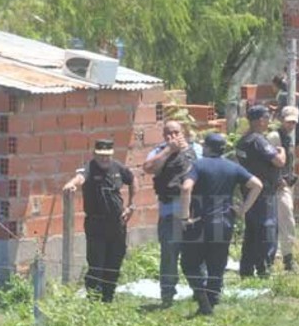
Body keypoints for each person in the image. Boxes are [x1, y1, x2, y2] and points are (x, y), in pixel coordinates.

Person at [179, 133, 264, 315]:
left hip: (200, 221)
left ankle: (201, 296)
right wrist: (243, 210)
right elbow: (257, 185)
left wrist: (184, 217)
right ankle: (211, 301)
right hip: (224, 222)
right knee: (216, 264)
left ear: (207, 148)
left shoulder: (198, 165)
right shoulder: (232, 167)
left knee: (189, 263)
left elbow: (186, 187)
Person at [62, 138, 134, 303]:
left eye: (107, 156)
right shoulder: (90, 168)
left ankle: (108, 298)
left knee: (114, 263)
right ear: (94, 154)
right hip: (96, 225)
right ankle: (93, 300)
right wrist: (71, 184)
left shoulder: (118, 168)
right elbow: (80, 177)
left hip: (117, 224)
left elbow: (132, 179)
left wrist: (131, 205)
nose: (104, 159)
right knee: (96, 264)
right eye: (101, 155)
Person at [142, 120, 197, 306]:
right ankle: (167, 295)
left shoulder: (195, 149)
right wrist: (169, 151)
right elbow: (148, 168)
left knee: (197, 253)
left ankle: (202, 291)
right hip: (169, 212)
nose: (171, 136)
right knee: (169, 255)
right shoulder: (159, 151)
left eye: (175, 132)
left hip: (194, 211)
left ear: (183, 132)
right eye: (167, 133)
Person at [236, 107, 286, 278]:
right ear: (259, 120)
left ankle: (247, 269)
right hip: (264, 194)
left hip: (249, 192)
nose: (269, 121)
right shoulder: (258, 141)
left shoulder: (243, 141)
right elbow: (278, 161)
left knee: (252, 232)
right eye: (267, 118)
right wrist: (282, 151)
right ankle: (265, 269)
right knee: (267, 230)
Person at [276, 106, 299, 272]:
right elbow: (272, 160)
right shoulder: (275, 136)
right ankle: (288, 258)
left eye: (293, 122)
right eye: (288, 121)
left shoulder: (287, 138)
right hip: (278, 186)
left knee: (285, 220)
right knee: (287, 219)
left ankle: (285, 255)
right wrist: (279, 180)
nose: (291, 125)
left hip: (285, 184)